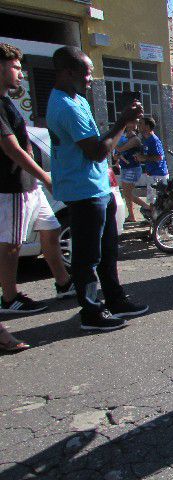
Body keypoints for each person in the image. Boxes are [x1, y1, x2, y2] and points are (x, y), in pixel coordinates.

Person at [46, 46, 148, 330]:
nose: (91, 78)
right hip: (83, 191)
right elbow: (96, 151)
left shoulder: (77, 99)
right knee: (87, 256)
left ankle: (115, 300)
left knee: (107, 251)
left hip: (98, 186)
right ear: (68, 72)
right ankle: (90, 313)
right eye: (86, 72)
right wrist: (122, 121)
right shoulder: (65, 107)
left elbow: (103, 146)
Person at [0, 43, 74, 316]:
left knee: (51, 230)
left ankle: (64, 283)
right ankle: (9, 298)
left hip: (30, 186)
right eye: (15, 67)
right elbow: (12, 148)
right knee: (12, 245)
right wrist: (45, 176)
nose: (20, 73)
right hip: (12, 186)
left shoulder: (7, 101)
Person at [113, 120, 147, 222]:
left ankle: (147, 207)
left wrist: (112, 141)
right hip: (125, 168)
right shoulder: (125, 138)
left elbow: (120, 149)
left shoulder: (135, 139)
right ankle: (131, 215)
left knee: (127, 194)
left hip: (132, 169)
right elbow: (116, 155)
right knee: (127, 193)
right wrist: (117, 156)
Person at [134, 117, 168, 207]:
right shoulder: (146, 140)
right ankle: (154, 219)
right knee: (152, 201)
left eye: (141, 124)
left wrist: (144, 158)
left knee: (158, 201)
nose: (138, 126)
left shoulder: (154, 140)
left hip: (158, 174)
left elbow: (160, 157)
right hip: (152, 174)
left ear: (147, 127)